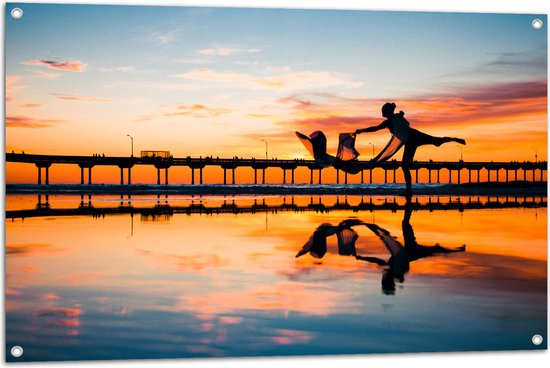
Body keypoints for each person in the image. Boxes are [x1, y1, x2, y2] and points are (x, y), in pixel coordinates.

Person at [356, 102, 466, 195]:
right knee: (405, 166)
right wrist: (362, 130)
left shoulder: (393, 120)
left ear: (387, 111)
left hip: (415, 136)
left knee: (437, 141)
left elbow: (378, 128)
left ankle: (454, 139)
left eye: (382, 110)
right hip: (410, 142)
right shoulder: (391, 120)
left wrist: (361, 130)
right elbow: (377, 128)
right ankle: (409, 190)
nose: (381, 112)